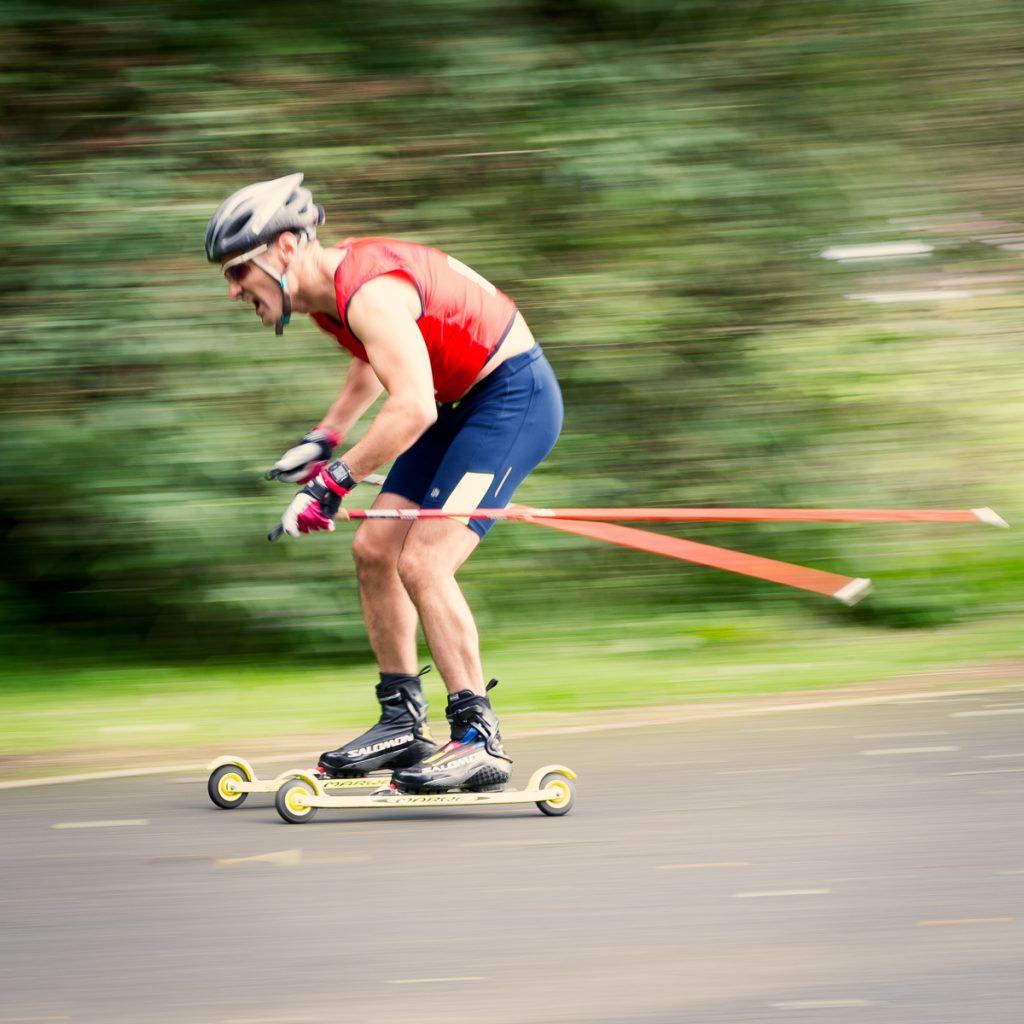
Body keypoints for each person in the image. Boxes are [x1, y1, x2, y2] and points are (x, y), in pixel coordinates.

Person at [205, 173, 563, 792]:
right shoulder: (328, 296)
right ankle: (401, 720)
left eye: (238, 271)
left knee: (425, 561)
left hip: (511, 401)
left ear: (285, 248)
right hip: (458, 405)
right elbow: (377, 361)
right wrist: (327, 438)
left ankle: (479, 739)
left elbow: (413, 407)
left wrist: (330, 484)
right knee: (374, 550)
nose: (234, 291)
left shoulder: (366, 289)